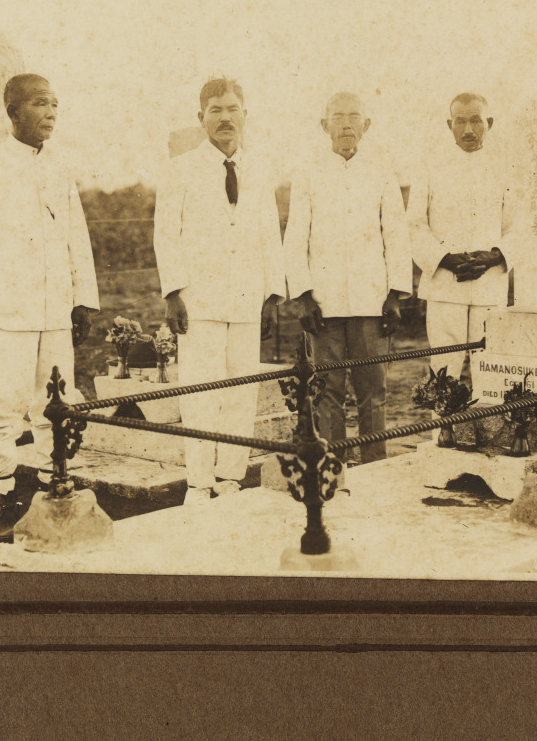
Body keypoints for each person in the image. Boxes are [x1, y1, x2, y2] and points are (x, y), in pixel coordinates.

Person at [0, 73, 100, 539]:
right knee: (3, 406)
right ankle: (3, 494)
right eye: (39, 103)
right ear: (13, 112)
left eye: (54, 103)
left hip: (55, 312)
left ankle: (54, 485)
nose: (50, 112)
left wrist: (83, 301)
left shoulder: (59, 169)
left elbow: (77, 237)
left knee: (54, 402)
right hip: (7, 315)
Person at [153, 77, 287, 504]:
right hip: (199, 301)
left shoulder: (259, 170)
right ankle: (199, 483)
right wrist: (173, 293)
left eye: (232, 109)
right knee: (199, 393)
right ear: (201, 118)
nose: (225, 118)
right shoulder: (180, 169)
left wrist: (272, 296)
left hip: (248, 299)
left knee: (241, 393)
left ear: (244, 115)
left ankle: (230, 478)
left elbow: (269, 235)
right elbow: (165, 235)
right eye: (216, 111)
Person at [285, 92, 411, 464]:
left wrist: (394, 295)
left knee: (373, 390)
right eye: (337, 117)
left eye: (353, 116)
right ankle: (334, 469)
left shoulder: (382, 171)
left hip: (372, 301)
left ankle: (375, 468)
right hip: (323, 304)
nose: (346, 124)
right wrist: (304, 297)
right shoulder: (307, 173)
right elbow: (296, 237)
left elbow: (396, 235)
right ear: (324, 125)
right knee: (328, 390)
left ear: (365, 125)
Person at [406, 92, 514, 381]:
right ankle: (442, 414)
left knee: (492, 368)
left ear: (489, 123)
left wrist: (495, 256)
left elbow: (517, 226)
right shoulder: (429, 166)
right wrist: (445, 259)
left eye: (476, 121)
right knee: (444, 369)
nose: (468, 130)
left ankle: (491, 413)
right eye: (460, 122)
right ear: (449, 124)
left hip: (489, 284)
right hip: (444, 284)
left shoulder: (505, 168)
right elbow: (414, 224)